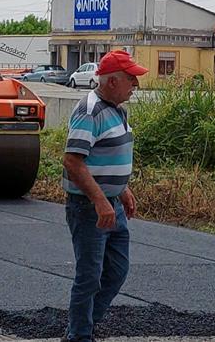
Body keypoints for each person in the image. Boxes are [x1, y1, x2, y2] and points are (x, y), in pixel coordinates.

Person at [61, 50, 147, 342]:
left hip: (111, 205)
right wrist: (100, 200)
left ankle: (82, 325)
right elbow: (73, 161)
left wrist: (121, 189)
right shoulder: (90, 111)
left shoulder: (117, 109)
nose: (135, 84)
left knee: (117, 270)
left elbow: (105, 155)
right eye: (130, 79)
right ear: (112, 81)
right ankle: (79, 335)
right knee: (90, 276)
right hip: (89, 207)